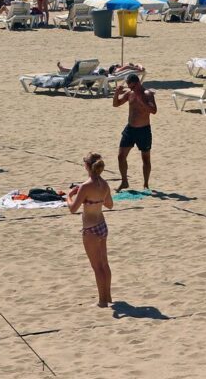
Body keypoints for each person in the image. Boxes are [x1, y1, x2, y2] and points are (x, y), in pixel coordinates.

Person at [66, 153, 113, 307]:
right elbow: (110, 205)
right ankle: (108, 296)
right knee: (104, 264)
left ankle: (102, 301)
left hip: (90, 228)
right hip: (102, 224)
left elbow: (73, 209)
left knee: (97, 266)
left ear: (87, 166)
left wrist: (69, 196)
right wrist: (96, 199)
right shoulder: (104, 184)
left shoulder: (86, 186)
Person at [113, 73, 157, 192]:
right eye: (129, 87)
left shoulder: (147, 94)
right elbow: (116, 104)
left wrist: (141, 100)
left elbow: (153, 111)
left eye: (132, 86)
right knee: (121, 156)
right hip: (130, 129)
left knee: (145, 158)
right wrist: (117, 93)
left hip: (144, 130)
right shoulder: (129, 93)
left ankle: (146, 184)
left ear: (138, 83)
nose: (131, 89)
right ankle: (124, 181)